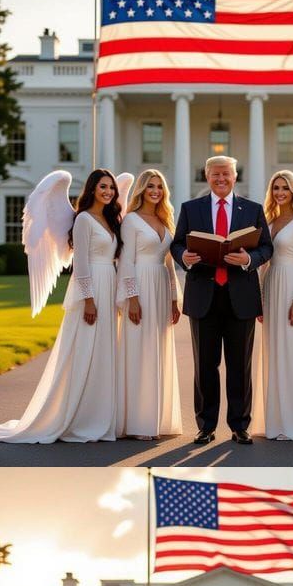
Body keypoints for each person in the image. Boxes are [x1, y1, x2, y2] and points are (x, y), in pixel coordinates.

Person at [0, 171, 122, 444]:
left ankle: (99, 414)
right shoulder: (82, 220)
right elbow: (80, 264)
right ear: (92, 189)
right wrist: (89, 300)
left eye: (111, 187)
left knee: (104, 352)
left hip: (109, 285)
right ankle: (73, 416)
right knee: (83, 350)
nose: (109, 191)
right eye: (103, 186)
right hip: (89, 290)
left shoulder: (111, 220)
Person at [171, 156, 273, 445]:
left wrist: (249, 259)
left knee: (240, 366)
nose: (221, 179)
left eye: (225, 174)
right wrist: (184, 257)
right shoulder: (191, 208)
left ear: (234, 176)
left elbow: (267, 246)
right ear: (207, 176)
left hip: (240, 296)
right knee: (205, 365)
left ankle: (240, 426)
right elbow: (178, 243)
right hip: (203, 295)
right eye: (215, 174)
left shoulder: (252, 209)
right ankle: (205, 426)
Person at [116, 170, 182, 440]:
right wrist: (132, 298)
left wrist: (174, 298)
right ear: (141, 190)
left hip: (160, 287)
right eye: (150, 186)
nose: (155, 190)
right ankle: (137, 422)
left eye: (159, 186)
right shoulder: (130, 220)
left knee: (157, 350)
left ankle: (156, 418)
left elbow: (168, 262)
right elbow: (127, 261)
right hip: (140, 287)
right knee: (139, 351)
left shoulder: (165, 218)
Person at [251, 171, 293, 441]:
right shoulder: (270, 221)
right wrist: (261, 301)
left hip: (291, 289)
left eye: (285, 188)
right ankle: (276, 421)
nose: (280, 192)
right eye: (275, 187)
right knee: (274, 353)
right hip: (273, 286)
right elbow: (264, 264)